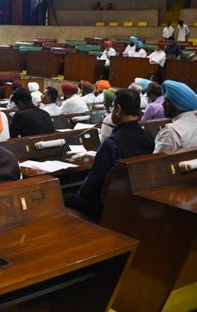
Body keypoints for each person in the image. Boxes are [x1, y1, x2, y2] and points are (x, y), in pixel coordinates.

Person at [64, 89, 154, 220]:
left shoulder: (112, 144)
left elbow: (91, 187)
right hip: (131, 198)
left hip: (103, 205)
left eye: (112, 107)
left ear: (118, 109)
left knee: (61, 196)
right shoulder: (148, 137)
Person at [154, 80, 197, 153]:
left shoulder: (170, 133)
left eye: (166, 101)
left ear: (178, 105)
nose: (163, 105)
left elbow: (157, 162)